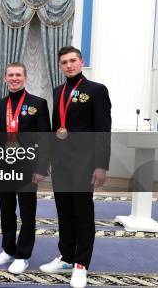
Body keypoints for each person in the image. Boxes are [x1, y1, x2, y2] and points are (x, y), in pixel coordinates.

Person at [39, 46, 111, 288]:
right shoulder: (59, 91)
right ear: (60, 66)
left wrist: (101, 165)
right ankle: (67, 257)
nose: (68, 65)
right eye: (64, 62)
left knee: (83, 214)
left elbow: (102, 130)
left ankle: (81, 264)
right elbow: (54, 129)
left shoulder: (96, 90)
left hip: (84, 163)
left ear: (81, 62)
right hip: (61, 163)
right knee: (64, 213)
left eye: (72, 61)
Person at [0, 62, 51, 274]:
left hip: (28, 167)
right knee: (6, 211)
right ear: (5, 78)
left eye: (18, 75)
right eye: (10, 75)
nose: (14, 78)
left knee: (27, 212)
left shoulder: (38, 104)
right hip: (5, 167)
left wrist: (41, 168)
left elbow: (45, 139)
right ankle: (8, 249)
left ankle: (23, 255)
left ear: (25, 78)